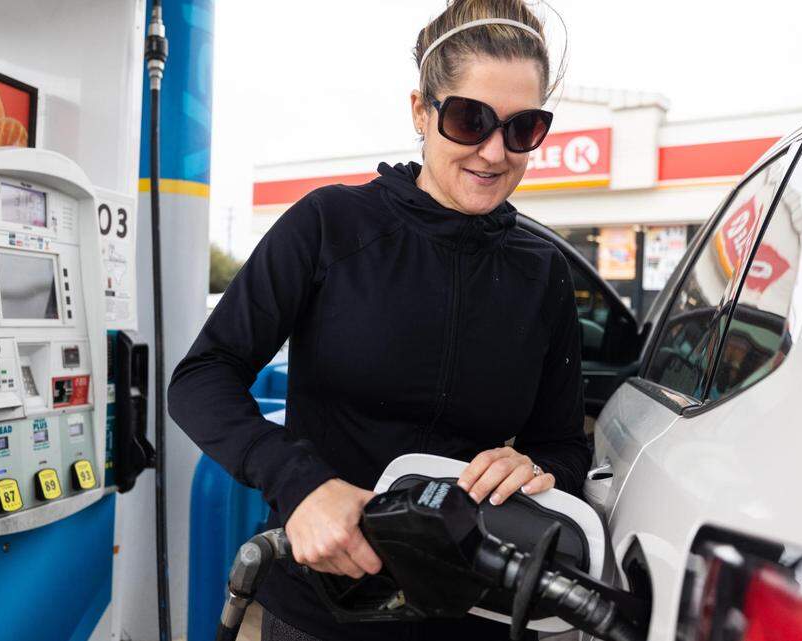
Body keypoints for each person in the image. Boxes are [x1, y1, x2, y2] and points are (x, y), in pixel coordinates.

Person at [168, 1, 590, 639]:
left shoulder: (545, 273)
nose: (494, 151)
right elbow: (202, 377)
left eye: (523, 127)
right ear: (421, 111)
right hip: (320, 611)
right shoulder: (330, 225)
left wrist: (537, 467)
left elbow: (563, 444)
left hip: (476, 613)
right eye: (469, 119)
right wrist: (301, 484)